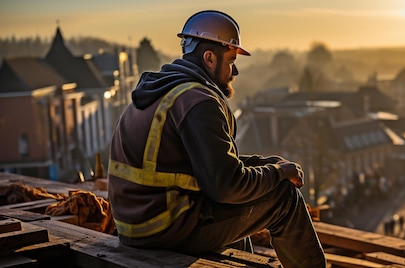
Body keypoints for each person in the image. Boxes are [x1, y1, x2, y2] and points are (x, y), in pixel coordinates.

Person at [107, 10, 326, 267]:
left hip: (137, 226)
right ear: (210, 58)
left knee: (238, 225)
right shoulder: (198, 102)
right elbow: (226, 186)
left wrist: (267, 164)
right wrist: (278, 175)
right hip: (163, 228)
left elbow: (210, 166)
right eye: (231, 60)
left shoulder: (161, 91)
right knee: (284, 197)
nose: (234, 72)